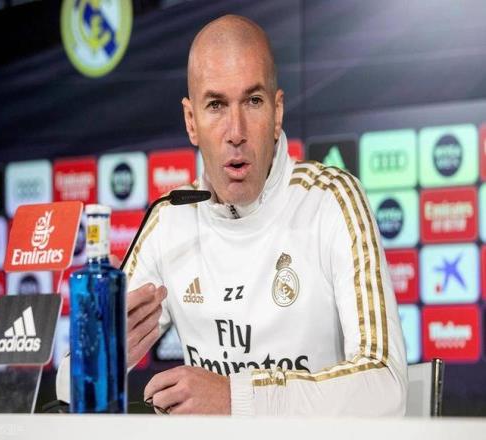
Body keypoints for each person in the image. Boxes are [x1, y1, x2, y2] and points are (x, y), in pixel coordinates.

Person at [57, 14, 408, 416]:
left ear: (277, 113)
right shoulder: (170, 217)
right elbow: (68, 381)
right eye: (216, 105)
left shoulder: (330, 200)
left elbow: (387, 386)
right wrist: (98, 357)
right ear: (191, 121)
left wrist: (234, 398)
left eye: (253, 101)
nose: (236, 131)